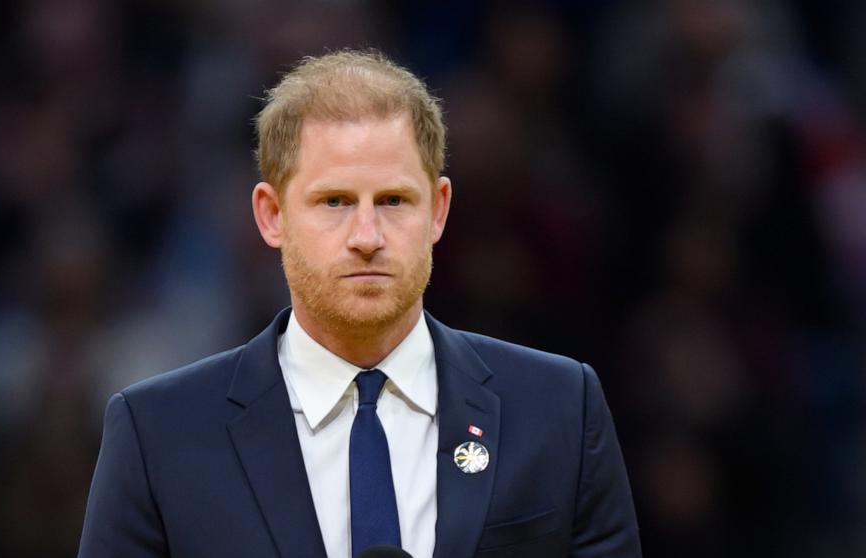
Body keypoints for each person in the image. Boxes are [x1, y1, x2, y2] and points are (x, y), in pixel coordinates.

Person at [77, 49, 641, 558]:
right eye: (334, 201)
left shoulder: (559, 409)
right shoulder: (159, 433)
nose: (366, 235)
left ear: (439, 210)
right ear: (272, 215)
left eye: (394, 200)